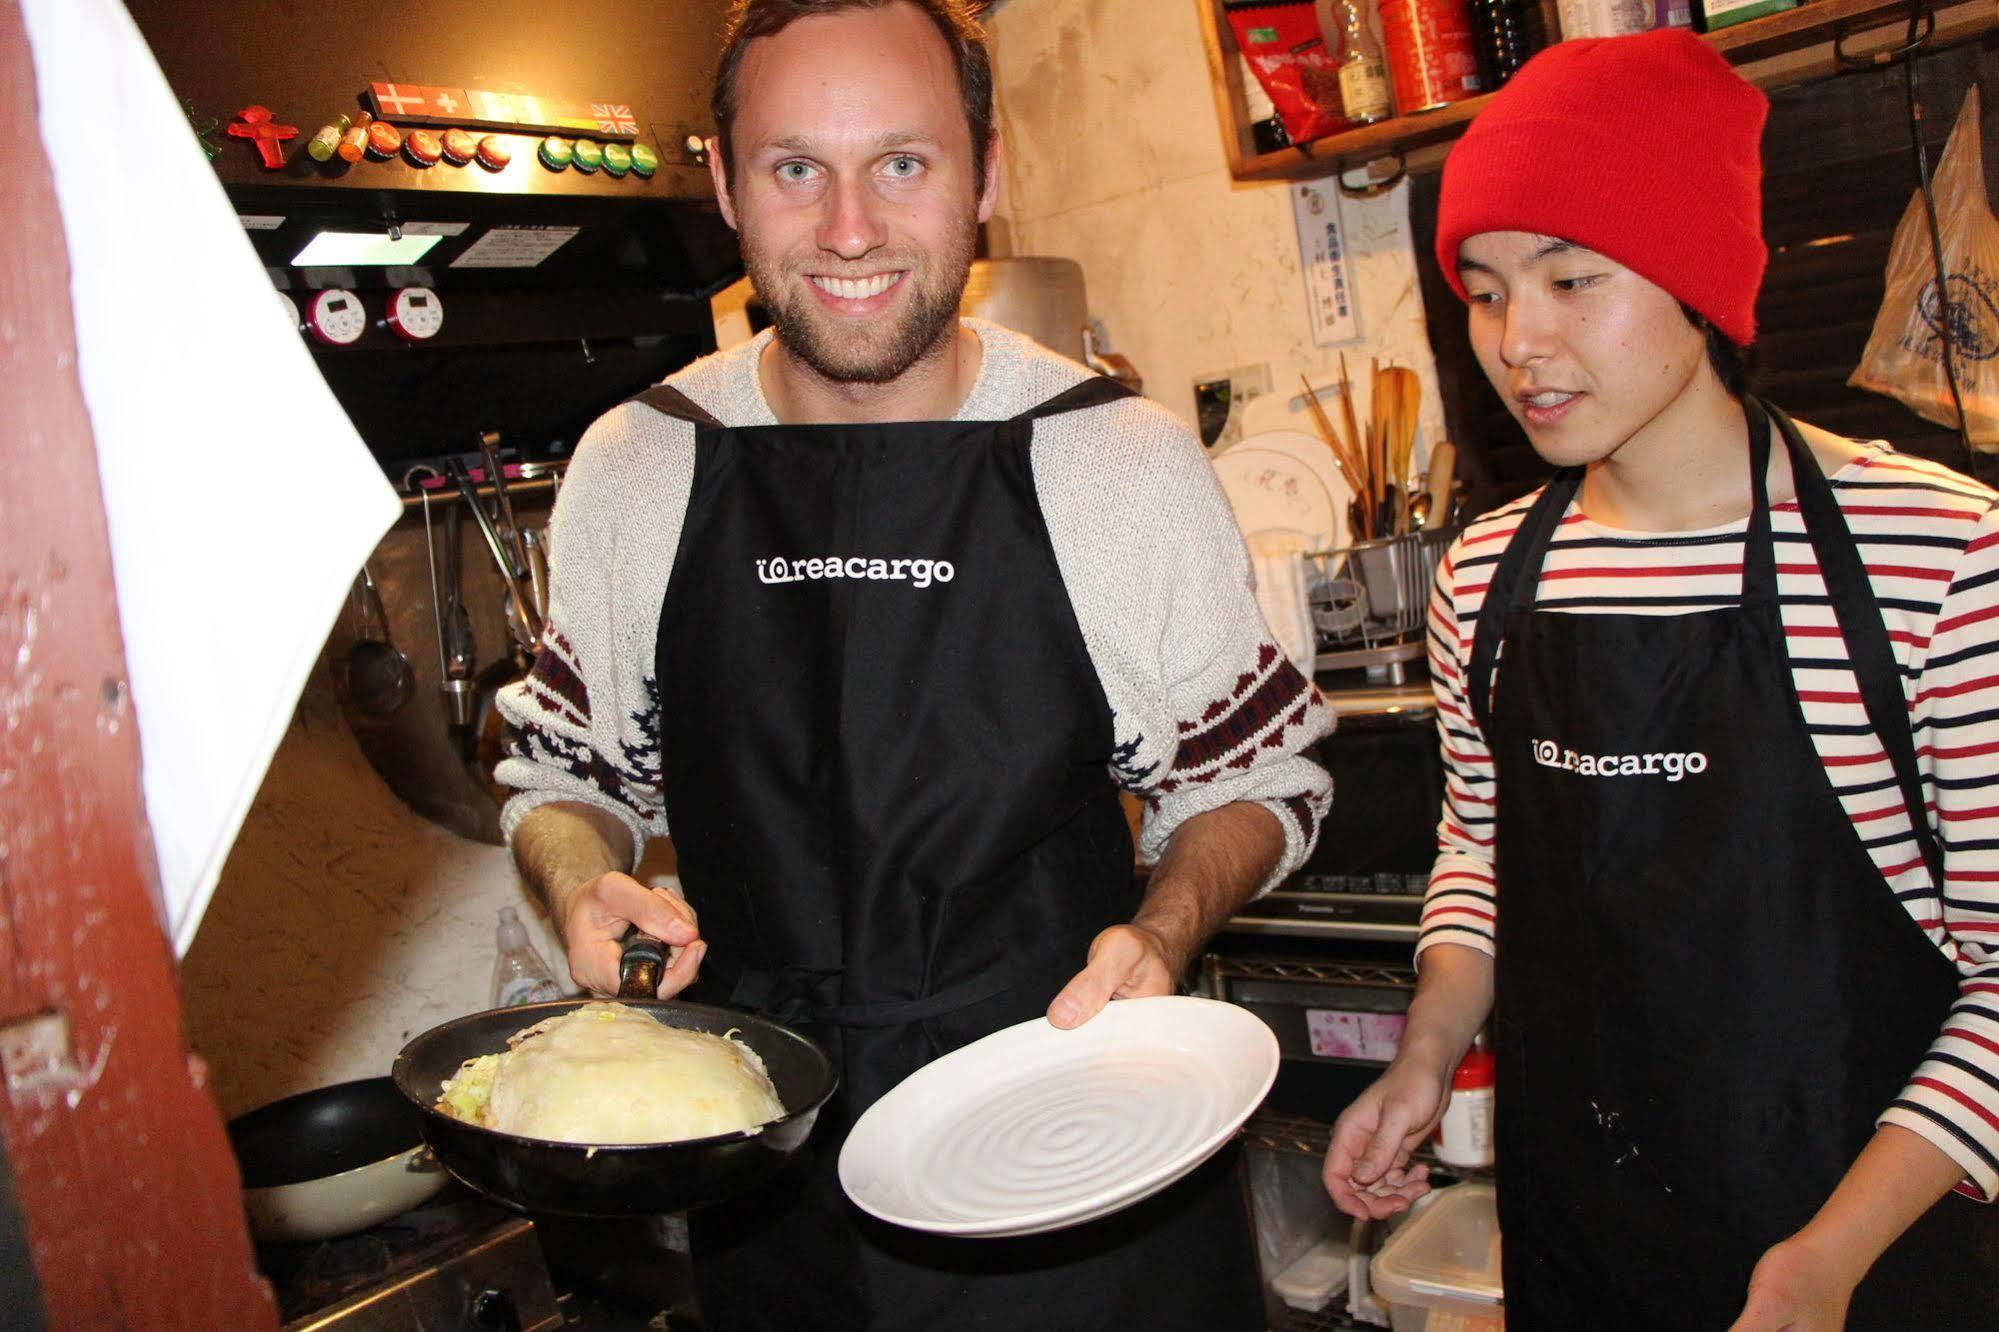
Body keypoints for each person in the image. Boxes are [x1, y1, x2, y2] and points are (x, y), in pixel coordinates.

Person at [495, 1, 1333, 1326]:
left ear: (987, 175)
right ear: (721, 181)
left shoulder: (1111, 457)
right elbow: (562, 776)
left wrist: (1164, 931)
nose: (848, 228)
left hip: (1074, 1153)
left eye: (904, 161)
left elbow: (1262, 781)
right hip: (767, 1182)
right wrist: (581, 878)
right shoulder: (636, 466)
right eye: (793, 168)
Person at [1321, 29, 1999, 1332]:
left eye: (1573, 279)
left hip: (1858, 1259)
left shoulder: (1938, 560)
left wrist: (1827, 1263)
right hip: (1583, 1242)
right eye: (1483, 287)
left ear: (1695, 277)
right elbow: (1483, 848)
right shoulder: (1487, 582)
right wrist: (1425, 1051)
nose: (1518, 341)